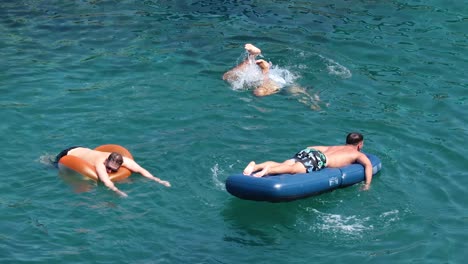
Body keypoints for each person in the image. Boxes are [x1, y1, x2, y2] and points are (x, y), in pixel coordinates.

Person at [242, 132, 374, 190]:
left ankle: (256, 166)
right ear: (360, 144)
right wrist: (367, 184)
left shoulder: (336, 147)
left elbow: (317, 147)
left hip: (311, 151)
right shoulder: (356, 153)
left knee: (285, 164)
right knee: (293, 170)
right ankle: (268, 170)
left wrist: (309, 151)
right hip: (320, 159)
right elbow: (368, 165)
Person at [55, 147, 171, 197]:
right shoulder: (100, 163)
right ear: (106, 161)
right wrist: (118, 191)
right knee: (53, 166)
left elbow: (141, 170)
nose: (109, 171)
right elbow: (106, 181)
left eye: (113, 170)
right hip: (68, 153)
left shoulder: (125, 160)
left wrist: (159, 181)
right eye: (108, 168)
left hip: (83, 150)